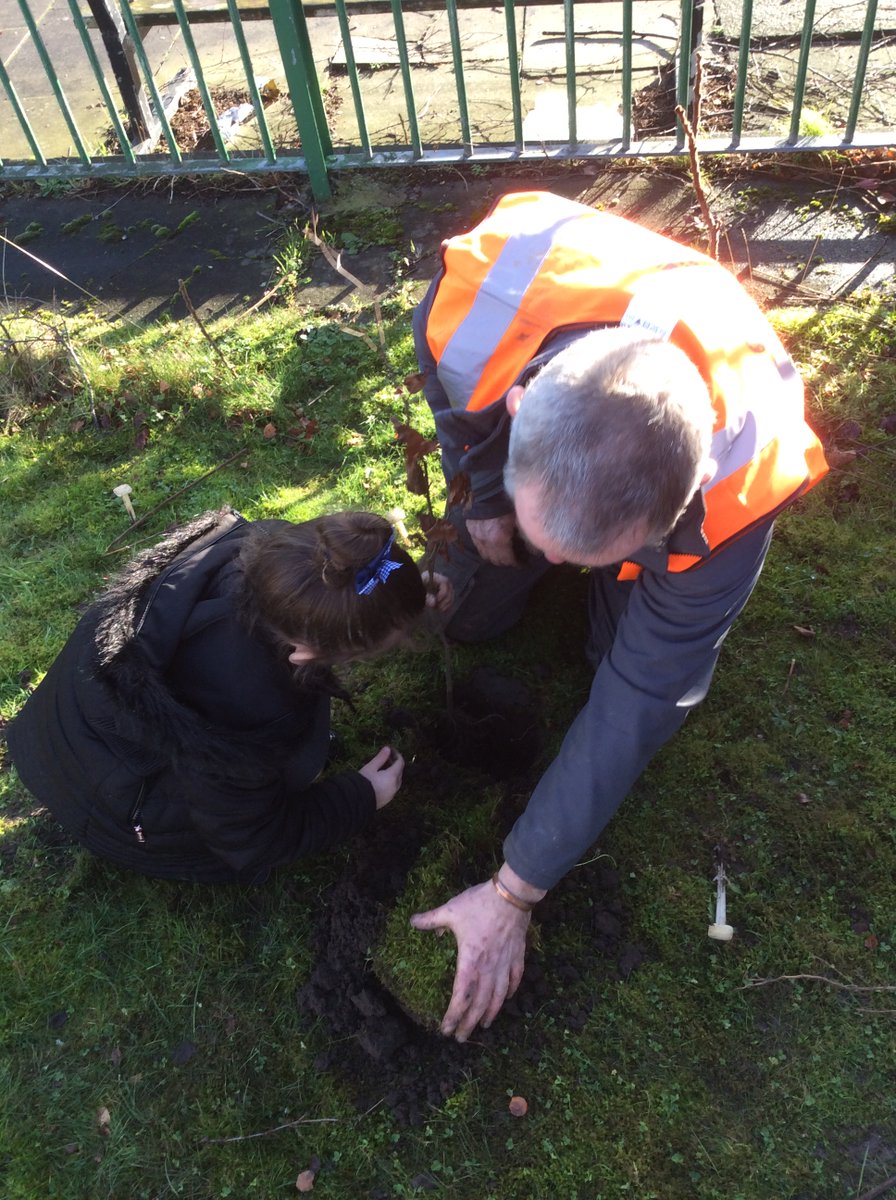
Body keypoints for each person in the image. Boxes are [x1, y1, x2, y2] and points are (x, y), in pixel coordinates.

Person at [408, 190, 829, 1041]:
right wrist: (485, 493)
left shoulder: (736, 499)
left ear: (673, 516)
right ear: (522, 410)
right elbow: (463, 412)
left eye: (592, 558)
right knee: (470, 615)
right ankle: (538, 527)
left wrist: (513, 890)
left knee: (613, 659)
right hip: (544, 347)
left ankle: (590, 563)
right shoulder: (472, 318)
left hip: (686, 441)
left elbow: (638, 700)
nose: (557, 563)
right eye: (551, 540)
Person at [7, 507, 450, 883]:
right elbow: (250, 841)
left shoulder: (280, 552)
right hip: (110, 804)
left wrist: (401, 602)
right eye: (374, 650)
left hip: (65, 723)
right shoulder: (248, 704)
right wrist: (359, 797)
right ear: (305, 653)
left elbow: (361, 585)